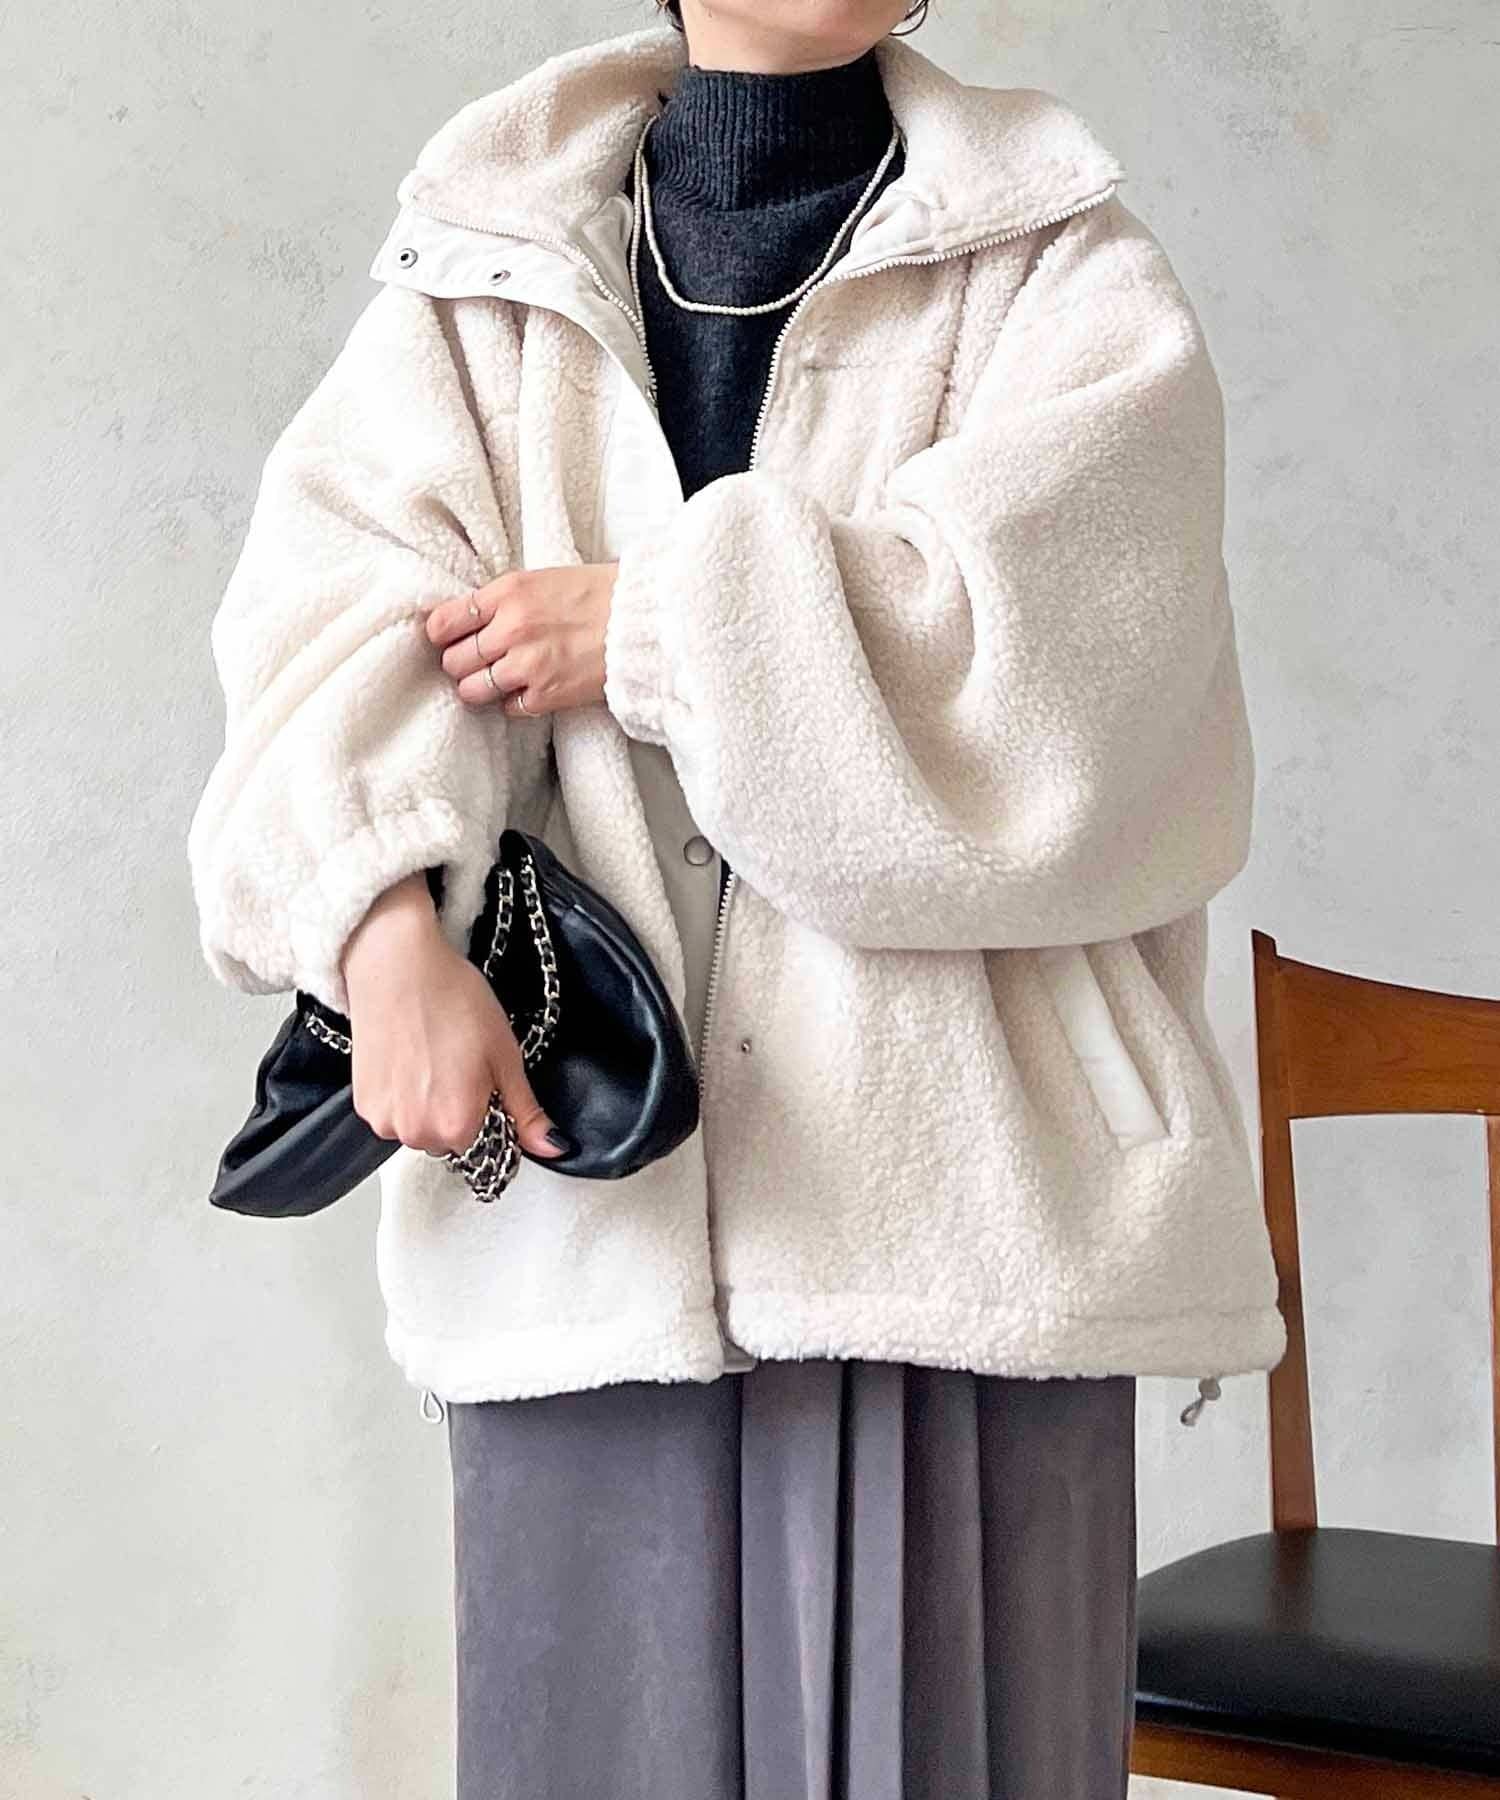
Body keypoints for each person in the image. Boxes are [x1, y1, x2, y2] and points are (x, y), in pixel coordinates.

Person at [186, 4, 1287, 1794]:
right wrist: (383, 939)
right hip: (587, 1205)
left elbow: (1086, 696)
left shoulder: (1061, 263)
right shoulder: (485, 264)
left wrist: (660, 627)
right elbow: (335, 626)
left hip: (964, 1221)